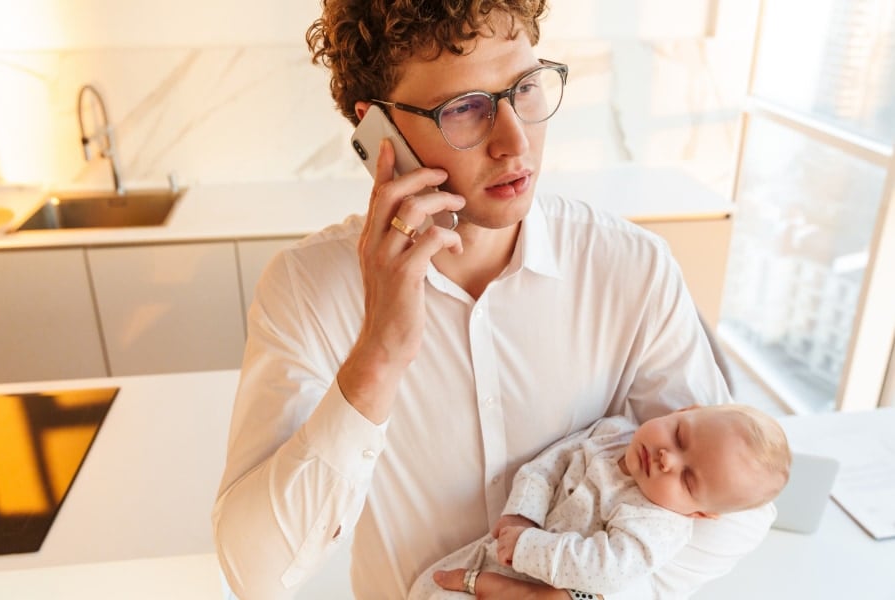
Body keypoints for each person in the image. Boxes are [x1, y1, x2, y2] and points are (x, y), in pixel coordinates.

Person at [211, 2, 777, 599]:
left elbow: (735, 516)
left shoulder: (631, 268)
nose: (515, 142)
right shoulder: (305, 290)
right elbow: (253, 572)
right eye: (465, 108)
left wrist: (585, 596)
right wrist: (378, 355)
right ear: (379, 131)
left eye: (525, 88)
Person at [408, 404, 791, 599]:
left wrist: (528, 548)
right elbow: (550, 465)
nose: (666, 458)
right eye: (679, 435)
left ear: (701, 513)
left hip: (539, 577)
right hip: (505, 552)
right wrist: (522, 516)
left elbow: (604, 569)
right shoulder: (614, 432)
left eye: (688, 478)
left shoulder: (658, 524)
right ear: (682, 412)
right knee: (430, 588)